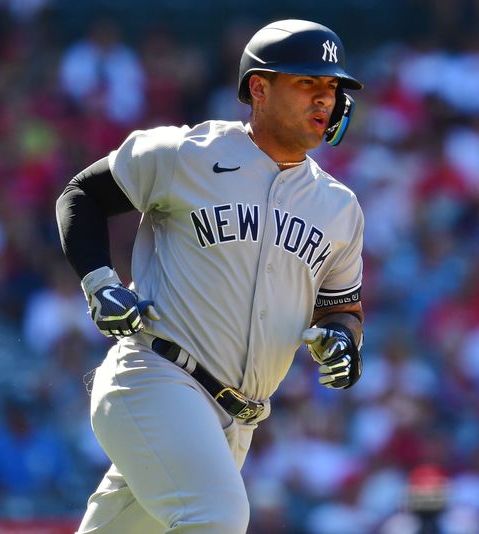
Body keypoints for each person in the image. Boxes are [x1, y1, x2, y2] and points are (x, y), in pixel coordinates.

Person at [55, 19, 366, 534]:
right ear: (259, 89)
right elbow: (82, 195)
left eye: (332, 87)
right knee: (217, 517)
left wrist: (344, 341)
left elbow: (342, 308)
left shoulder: (340, 208)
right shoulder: (188, 153)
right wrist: (99, 282)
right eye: (308, 83)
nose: (325, 100)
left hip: (236, 421)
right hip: (157, 378)